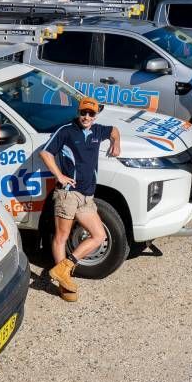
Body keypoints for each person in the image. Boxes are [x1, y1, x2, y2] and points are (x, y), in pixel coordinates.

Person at [39, 97, 121, 302]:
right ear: (78, 112)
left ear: (95, 115)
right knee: (61, 237)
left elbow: (114, 130)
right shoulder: (66, 131)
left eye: (91, 114)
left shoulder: (98, 130)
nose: (86, 117)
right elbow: (45, 153)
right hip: (67, 194)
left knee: (99, 235)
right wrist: (59, 176)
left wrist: (116, 143)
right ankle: (64, 286)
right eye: (84, 113)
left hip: (87, 197)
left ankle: (65, 267)